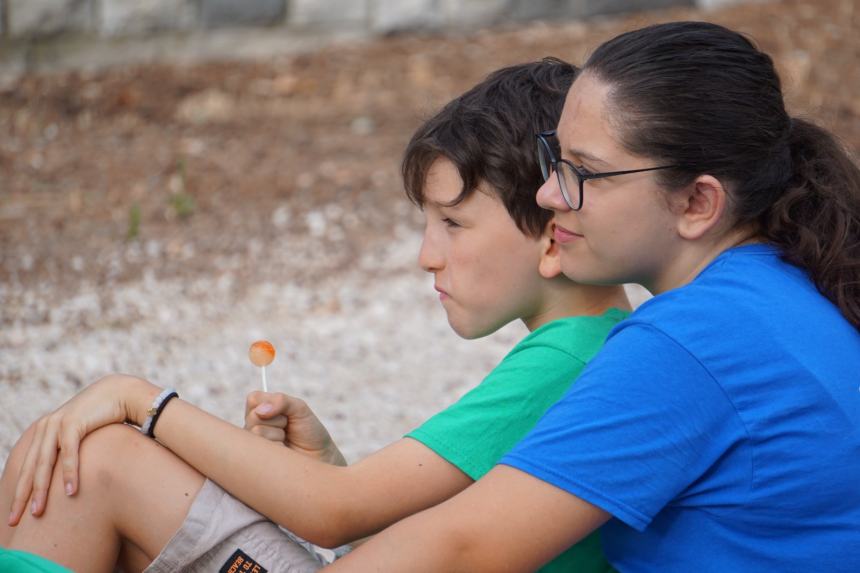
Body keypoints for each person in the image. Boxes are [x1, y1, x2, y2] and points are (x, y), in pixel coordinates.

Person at [0, 58, 632, 572]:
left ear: (553, 232)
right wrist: (325, 464)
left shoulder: (565, 363)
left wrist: (141, 400)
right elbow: (422, 523)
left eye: (453, 223)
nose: (425, 256)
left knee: (90, 461)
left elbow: (335, 512)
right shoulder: (596, 347)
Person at [319, 21, 860, 572]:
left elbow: (461, 550)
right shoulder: (785, 283)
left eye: (586, 172)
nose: (548, 192)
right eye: (557, 159)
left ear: (698, 203)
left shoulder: (687, 344)